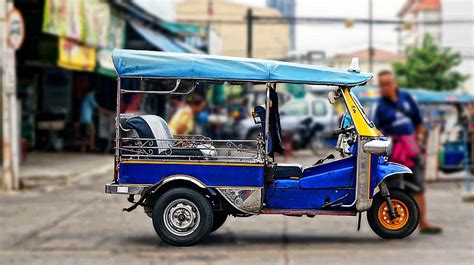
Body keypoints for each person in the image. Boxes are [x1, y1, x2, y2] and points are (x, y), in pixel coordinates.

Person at [371, 70, 442, 234]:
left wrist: (419, 138)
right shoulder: (379, 106)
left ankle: (423, 223)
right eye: (381, 85)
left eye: (387, 84)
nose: (385, 88)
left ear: (394, 83)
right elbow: (375, 130)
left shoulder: (407, 98)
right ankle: (395, 224)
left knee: (417, 186)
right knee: (393, 188)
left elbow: (419, 122)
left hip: (410, 147)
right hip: (392, 150)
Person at [80, 88, 112, 152]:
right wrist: (107, 112)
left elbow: (92, 109)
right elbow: (97, 107)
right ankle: (92, 147)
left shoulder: (85, 97)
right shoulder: (90, 96)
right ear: (93, 91)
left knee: (84, 134)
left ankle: (83, 149)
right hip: (87, 119)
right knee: (92, 132)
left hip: (82, 119)